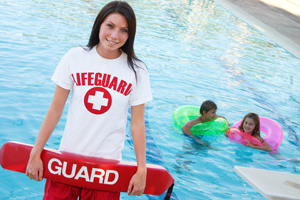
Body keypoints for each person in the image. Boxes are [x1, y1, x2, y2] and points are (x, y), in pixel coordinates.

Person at [25, 1, 152, 199]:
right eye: (110, 26)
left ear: (130, 34)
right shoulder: (75, 57)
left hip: (106, 171)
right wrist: (36, 151)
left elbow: (137, 124)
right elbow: (55, 110)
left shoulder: (136, 70)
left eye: (123, 30)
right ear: (99, 24)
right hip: (66, 163)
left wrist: (141, 169)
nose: (114, 35)